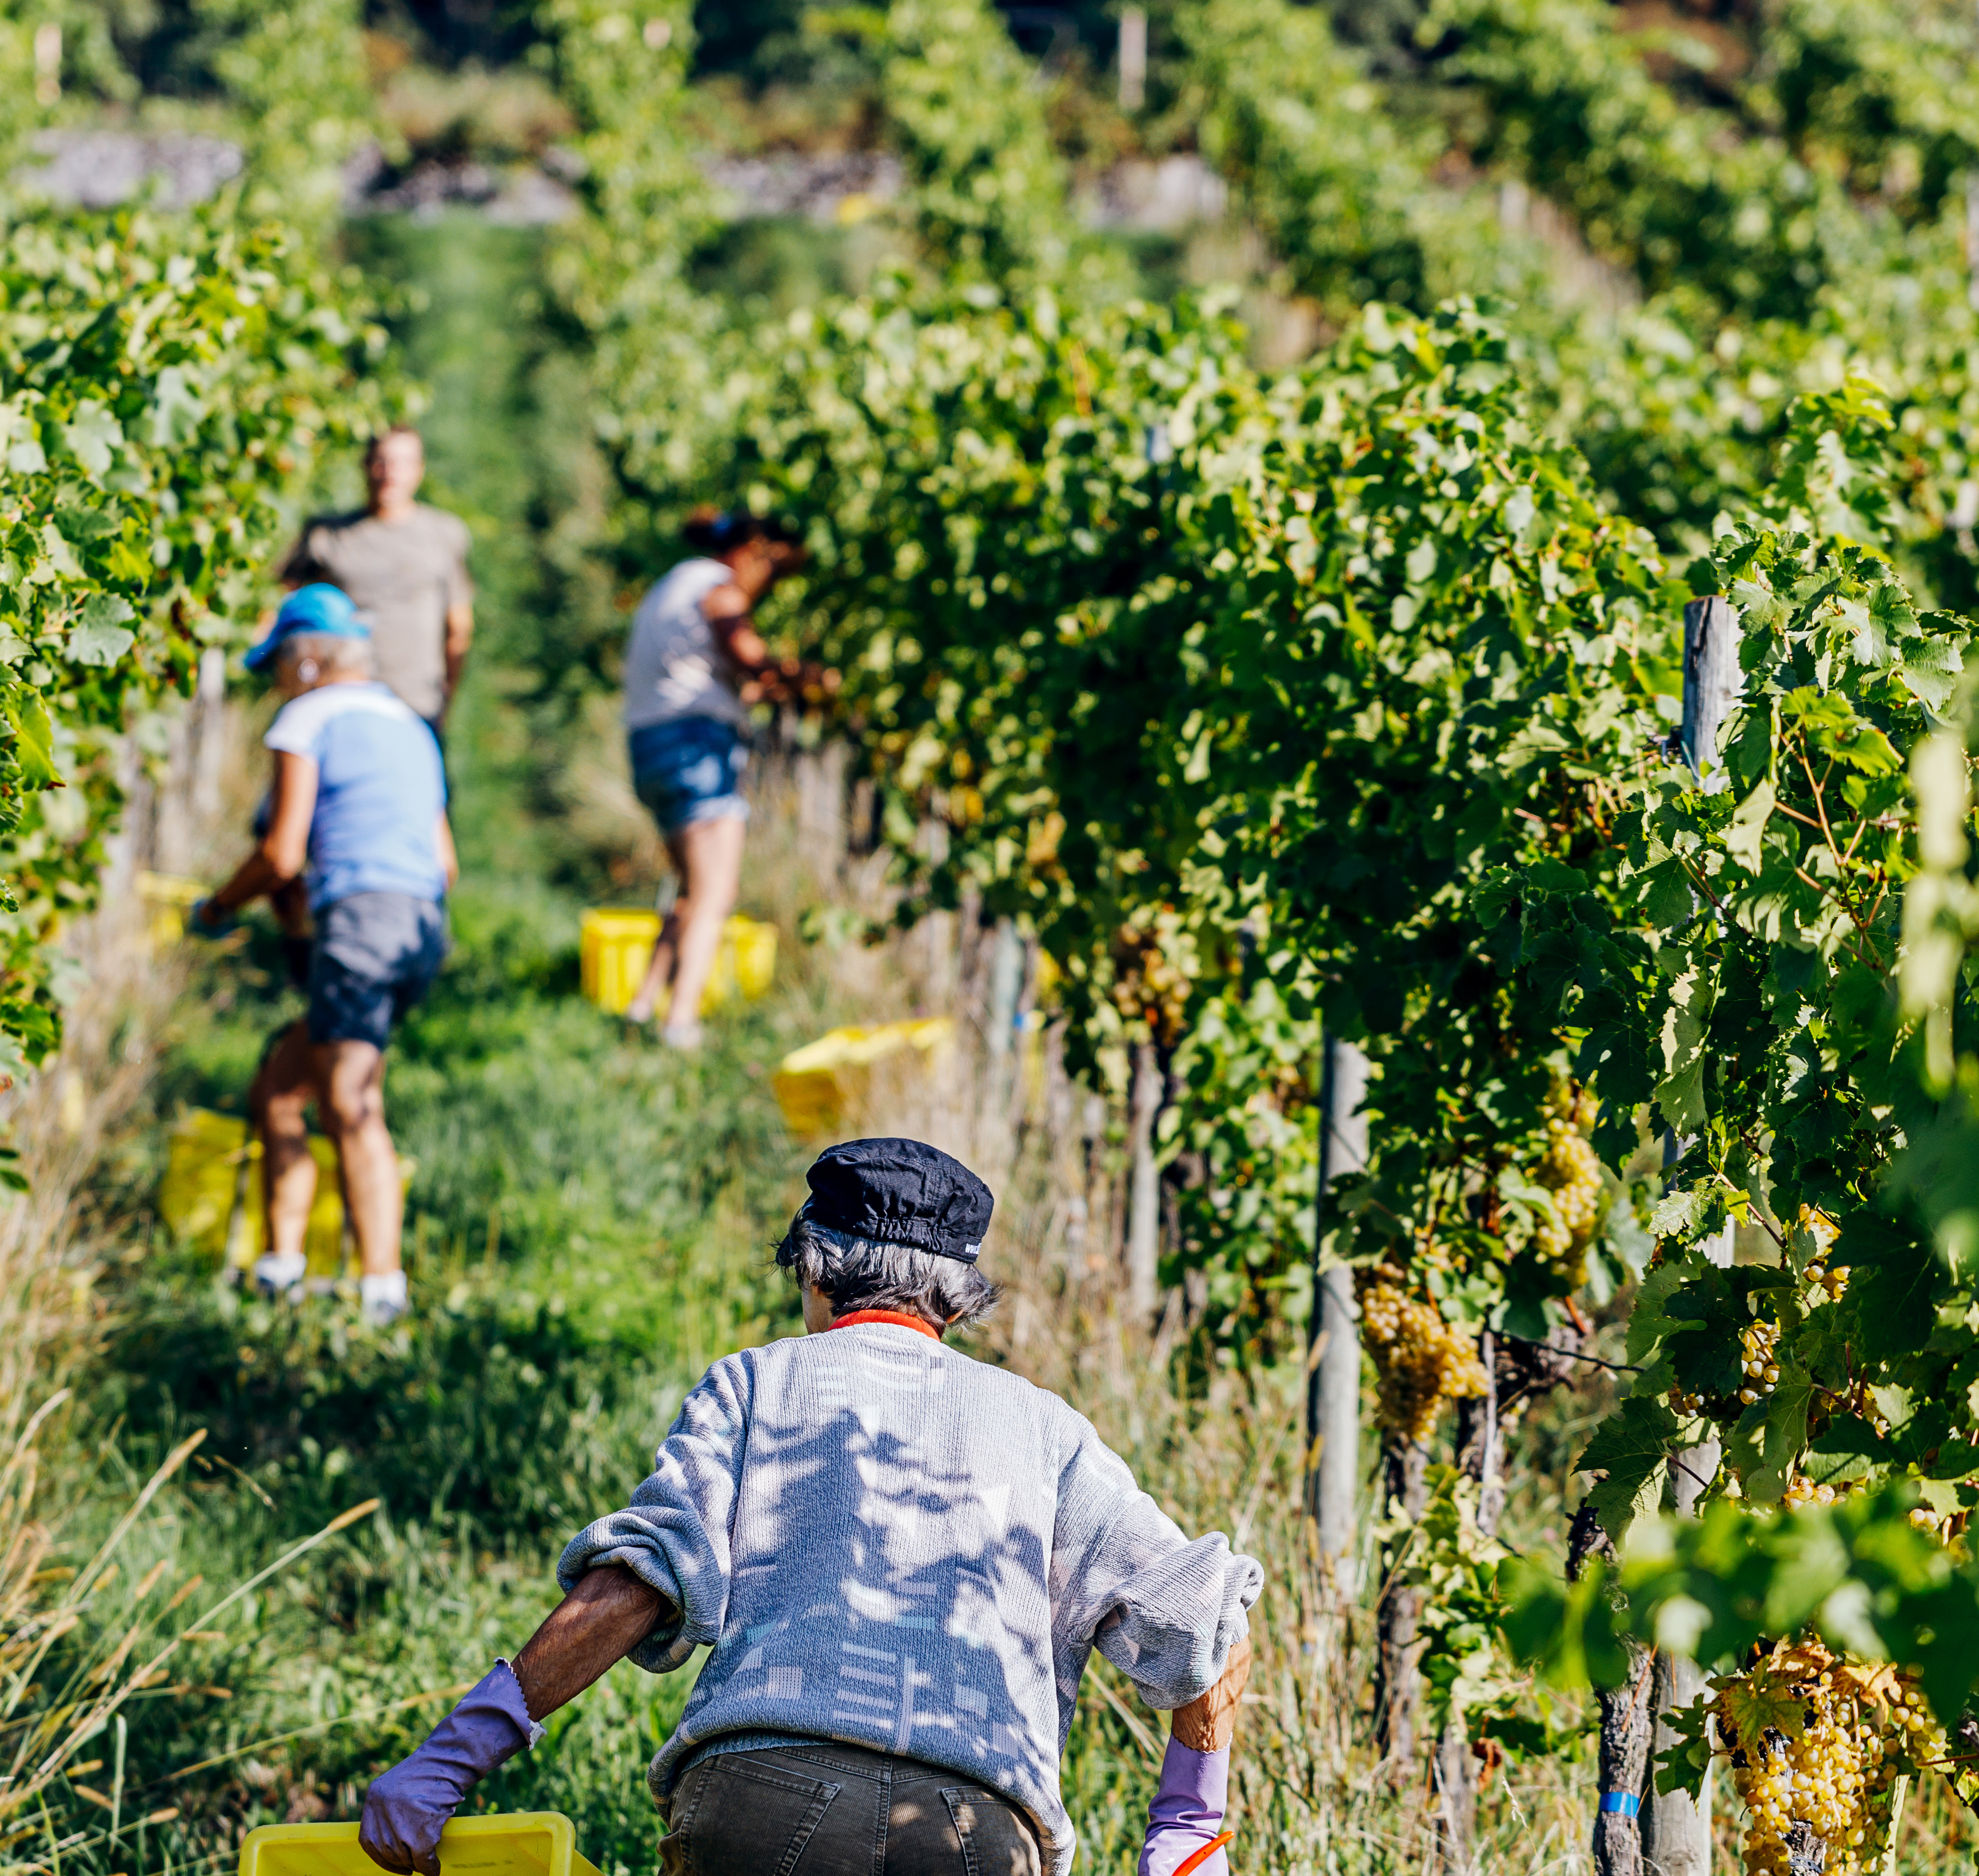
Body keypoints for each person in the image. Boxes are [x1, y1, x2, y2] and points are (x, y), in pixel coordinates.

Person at [356, 1137, 1263, 1876]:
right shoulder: (1047, 1429)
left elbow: (640, 1584)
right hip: (975, 1829)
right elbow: (1204, 1613)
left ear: (816, 1269)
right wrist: (1187, 1823)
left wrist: (452, 1757)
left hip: (760, 1802)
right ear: (956, 1295)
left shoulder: (755, 1384)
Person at [190, 584, 456, 1326]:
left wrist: (215, 909)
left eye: (278, 661)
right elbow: (446, 862)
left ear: (308, 661)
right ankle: (279, 1270)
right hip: (421, 927)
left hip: (363, 922)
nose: (274, 676)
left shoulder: (306, 715)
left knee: (349, 1101)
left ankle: (380, 1294)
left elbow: (281, 854)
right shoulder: (413, 725)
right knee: (283, 1084)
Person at [620, 509, 823, 1048]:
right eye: (773, 570)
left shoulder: (671, 587)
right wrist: (812, 680)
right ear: (752, 551)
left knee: (689, 889)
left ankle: (641, 1008)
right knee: (716, 891)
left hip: (650, 747)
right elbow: (749, 657)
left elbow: (706, 671)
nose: (770, 585)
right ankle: (680, 1023)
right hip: (697, 745)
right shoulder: (718, 590)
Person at [278, 427, 475, 749]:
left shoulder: (444, 534)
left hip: (415, 704)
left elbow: (459, 628)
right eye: (381, 461)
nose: (390, 474)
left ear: (419, 470)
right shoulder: (325, 536)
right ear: (366, 465)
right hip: (339, 704)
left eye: (402, 463)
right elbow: (280, 611)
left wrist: (446, 703)